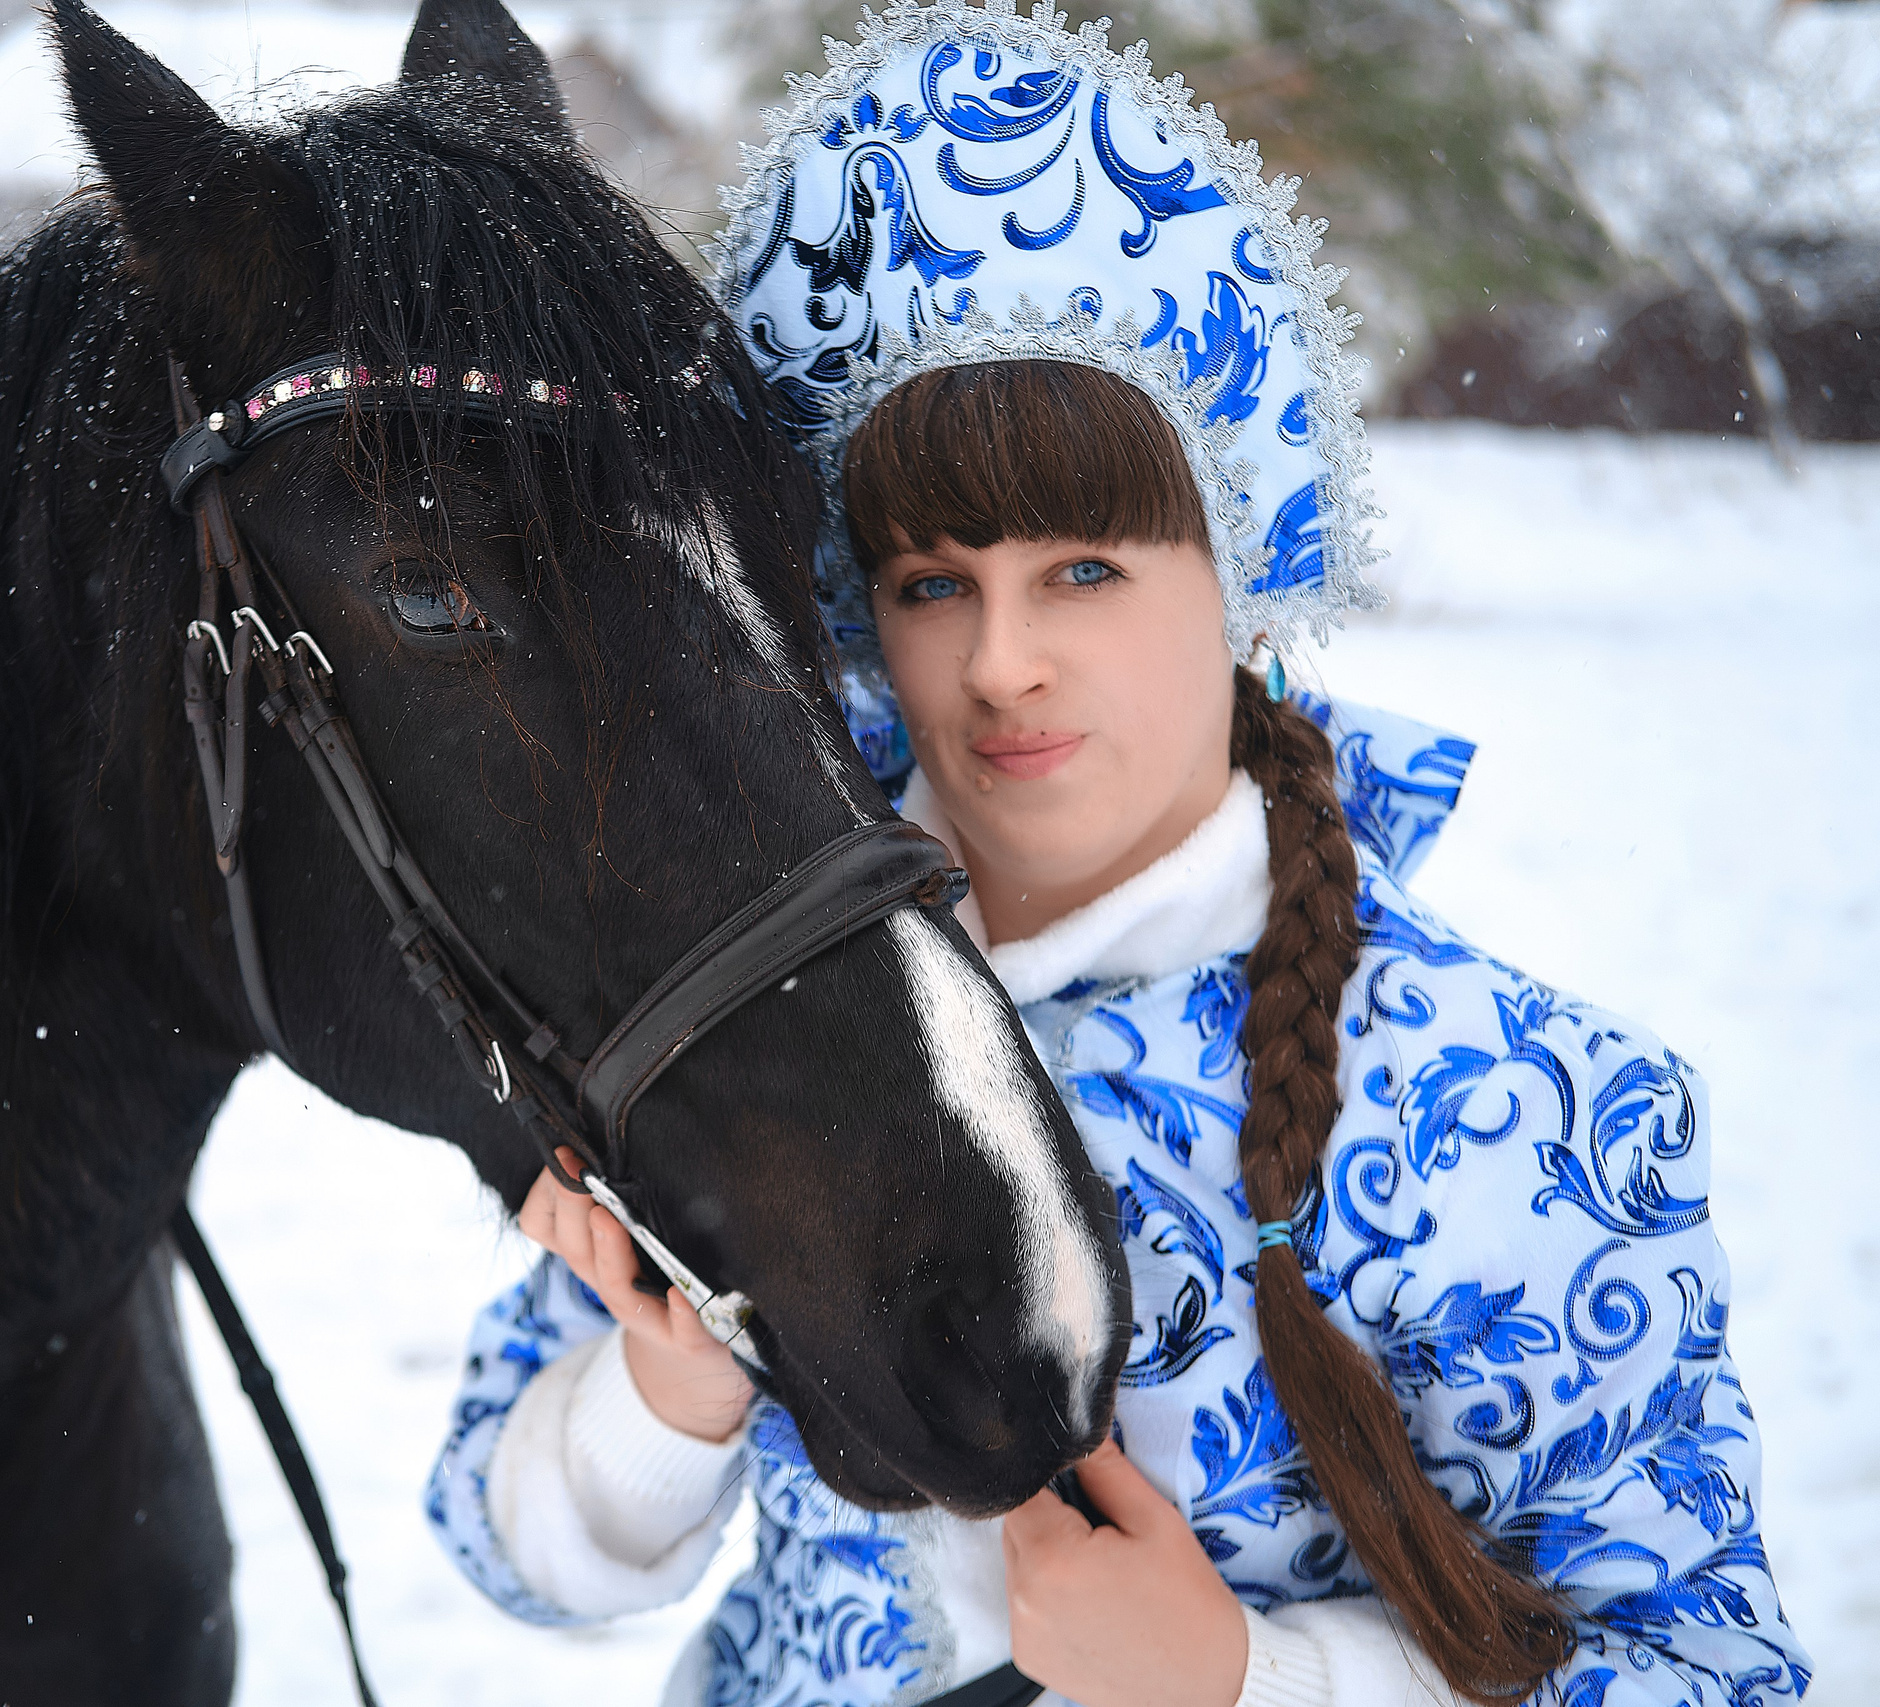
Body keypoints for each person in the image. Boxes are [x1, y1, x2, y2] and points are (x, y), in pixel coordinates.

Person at [424, 9, 1809, 1705]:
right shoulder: (747, 1014)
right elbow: (502, 1547)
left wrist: (1251, 1681)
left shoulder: (1532, 1124)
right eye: (931, 584)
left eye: (1084, 570)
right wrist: (669, 1403)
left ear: (1239, 566)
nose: (1001, 661)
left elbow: (1708, 1673)